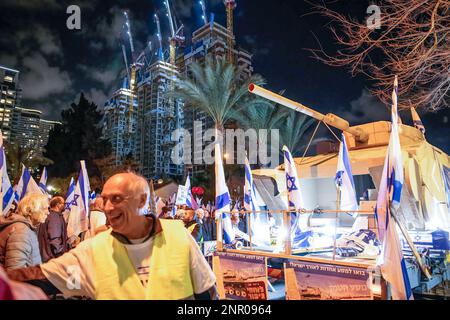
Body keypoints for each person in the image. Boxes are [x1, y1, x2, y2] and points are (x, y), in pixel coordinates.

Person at [7, 172, 218, 300]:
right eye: (104, 199)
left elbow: (206, 293)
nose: (107, 207)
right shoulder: (93, 250)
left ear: (142, 200)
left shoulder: (178, 236)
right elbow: (43, 278)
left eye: (116, 199)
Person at [0, 193, 49, 270]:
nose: (48, 212)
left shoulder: (24, 228)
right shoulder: (21, 231)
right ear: (30, 210)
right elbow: (15, 272)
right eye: (44, 208)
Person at [38, 196, 68, 263]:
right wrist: (60, 254)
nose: (65, 205)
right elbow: (54, 238)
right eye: (64, 203)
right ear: (58, 205)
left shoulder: (53, 215)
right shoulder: (54, 217)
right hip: (52, 257)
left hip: (49, 256)